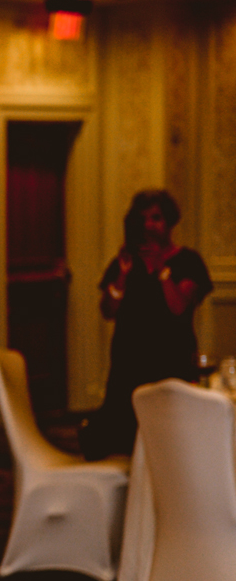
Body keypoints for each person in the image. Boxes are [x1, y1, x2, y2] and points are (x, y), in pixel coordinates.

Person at [81, 189, 212, 460]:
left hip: (170, 363)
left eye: (156, 218)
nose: (149, 225)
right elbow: (107, 310)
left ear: (170, 222)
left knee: (170, 442)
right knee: (123, 441)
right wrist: (122, 278)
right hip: (129, 365)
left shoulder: (187, 261)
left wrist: (163, 270)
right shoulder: (126, 262)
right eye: (144, 219)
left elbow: (178, 307)